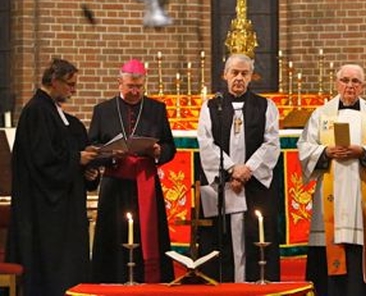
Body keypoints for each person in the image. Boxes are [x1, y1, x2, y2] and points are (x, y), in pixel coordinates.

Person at [297, 63, 366, 296]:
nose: (349, 86)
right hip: (330, 196)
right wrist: (326, 152)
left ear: (362, 87)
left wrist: (362, 152)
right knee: (330, 245)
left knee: (359, 248)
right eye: (345, 80)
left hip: (361, 194)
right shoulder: (321, 114)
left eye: (355, 82)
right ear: (336, 83)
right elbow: (304, 148)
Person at [6, 58, 100, 296]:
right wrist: (76, 160)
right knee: (51, 272)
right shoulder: (37, 111)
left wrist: (88, 172)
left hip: (63, 208)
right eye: (69, 84)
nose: (73, 90)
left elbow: (66, 151)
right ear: (54, 81)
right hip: (44, 211)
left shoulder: (55, 112)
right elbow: (42, 160)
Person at [89, 59, 176, 283]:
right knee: (114, 234)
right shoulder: (102, 110)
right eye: (130, 86)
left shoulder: (157, 109)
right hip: (114, 184)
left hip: (145, 182)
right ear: (120, 83)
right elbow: (93, 147)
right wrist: (110, 155)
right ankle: (112, 278)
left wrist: (158, 151)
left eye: (139, 86)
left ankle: (149, 279)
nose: (135, 91)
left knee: (146, 234)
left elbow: (169, 146)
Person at [197, 53, 281, 282]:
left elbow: (271, 142)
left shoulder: (265, 106)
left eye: (244, 73)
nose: (239, 78)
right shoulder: (212, 107)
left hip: (254, 185)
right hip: (224, 186)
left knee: (254, 235)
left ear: (251, 77)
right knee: (222, 239)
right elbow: (206, 143)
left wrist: (248, 170)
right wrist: (232, 169)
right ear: (225, 75)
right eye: (234, 72)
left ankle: (255, 284)